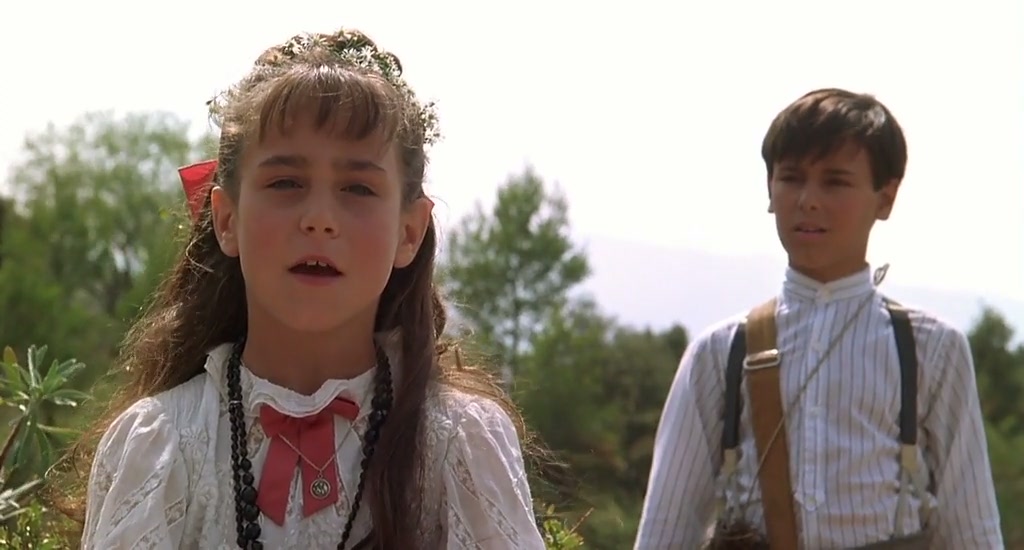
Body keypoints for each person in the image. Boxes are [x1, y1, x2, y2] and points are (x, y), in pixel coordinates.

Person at [70, 27, 547, 549]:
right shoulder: (163, 447)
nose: (319, 218)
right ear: (227, 219)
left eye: (358, 188)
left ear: (409, 231)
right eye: (286, 183)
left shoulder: (457, 445)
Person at [634, 88, 1004, 549]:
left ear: (885, 198)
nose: (808, 200)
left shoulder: (931, 348)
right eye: (791, 178)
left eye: (835, 182)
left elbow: (972, 528)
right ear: (770, 190)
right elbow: (666, 529)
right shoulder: (720, 352)